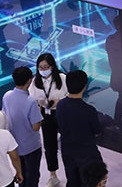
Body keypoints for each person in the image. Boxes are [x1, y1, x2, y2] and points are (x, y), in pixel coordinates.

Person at [56, 70, 102, 187]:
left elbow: (60, 127)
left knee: (72, 180)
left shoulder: (60, 105)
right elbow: (97, 131)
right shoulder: (89, 110)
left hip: (68, 151)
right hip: (87, 153)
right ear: (84, 86)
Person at [29, 53, 68, 187]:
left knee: (68, 143)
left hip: (62, 113)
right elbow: (31, 99)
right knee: (49, 146)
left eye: (46, 67)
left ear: (52, 66)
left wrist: (59, 102)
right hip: (46, 116)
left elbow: (70, 94)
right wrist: (39, 104)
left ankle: (72, 171)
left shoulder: (62, 78)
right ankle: (53, 175)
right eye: (40, 67)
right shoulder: (35, 82)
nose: (43, 70)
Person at [2, 66, 43, 187]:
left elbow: (5, 117)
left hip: (15, 145)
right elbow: (36, 127)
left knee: (21, 176)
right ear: (30, 80)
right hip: (31, 147)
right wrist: (39, 113)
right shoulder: (31, 101)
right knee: (32, 177)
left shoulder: (7, 96)